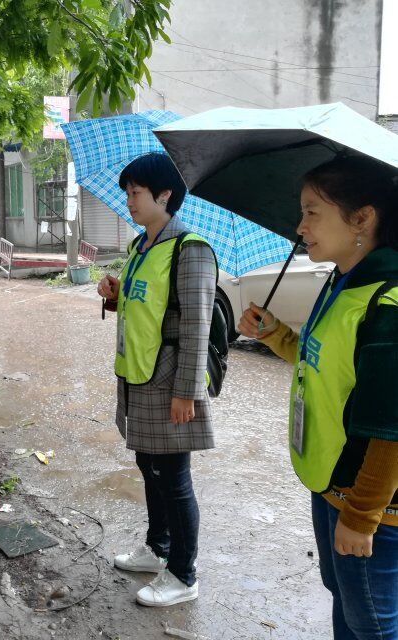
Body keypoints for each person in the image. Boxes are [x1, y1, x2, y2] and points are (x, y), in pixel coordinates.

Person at [238, 156, 398, 639]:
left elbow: (391, 427)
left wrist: (362, 517)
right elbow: (327, 369)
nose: (299, 225)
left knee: (372, 624)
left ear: (363, 219)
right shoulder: (343, 281)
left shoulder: (387, 301)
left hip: (371, 506)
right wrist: (276, 335)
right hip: (331, 485)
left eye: (312, 212)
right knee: (347, 606)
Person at [97, 153, 217, 607]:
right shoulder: (139, 247)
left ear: (164, 195)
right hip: (137, 375)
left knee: (174, 478)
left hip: (170, 382)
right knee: (149, 467)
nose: (128, 200)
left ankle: (184, 575)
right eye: (127, 192)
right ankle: (156, 548)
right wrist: (114, 295)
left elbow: (196, 326)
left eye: (136, 193)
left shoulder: (191, 249)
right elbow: (141, 306)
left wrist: (187, 391)